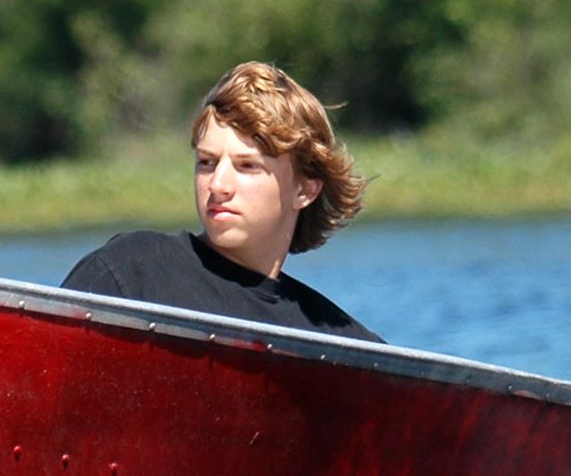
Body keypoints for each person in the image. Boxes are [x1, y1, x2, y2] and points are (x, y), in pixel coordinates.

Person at [63, 61, 380, 342]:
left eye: (247, 166)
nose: (218, 185)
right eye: (207, 162)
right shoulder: (131, 271)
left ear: (305, 190)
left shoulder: (342, 343)